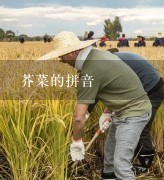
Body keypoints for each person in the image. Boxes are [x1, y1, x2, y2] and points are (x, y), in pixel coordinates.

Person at [37, 31, 152, 179]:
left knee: (121, 165)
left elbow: (78, 117)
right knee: (109, 158)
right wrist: (107, 112)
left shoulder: (90, 70)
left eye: (62, 55)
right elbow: (116, 86)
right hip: (123, 111)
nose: (61, 60)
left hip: (134, 114)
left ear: (73, 52)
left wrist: (76, 142)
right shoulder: (99, 56)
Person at [88, 51, 164, 175]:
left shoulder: (112, 65)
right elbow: (118, 91)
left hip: (151, 89)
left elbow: (117, 90)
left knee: (141, 125)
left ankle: (145, 164)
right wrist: (107, 112)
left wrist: (84, 115)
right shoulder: (113, 61)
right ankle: (122, 163)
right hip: (147, 86)